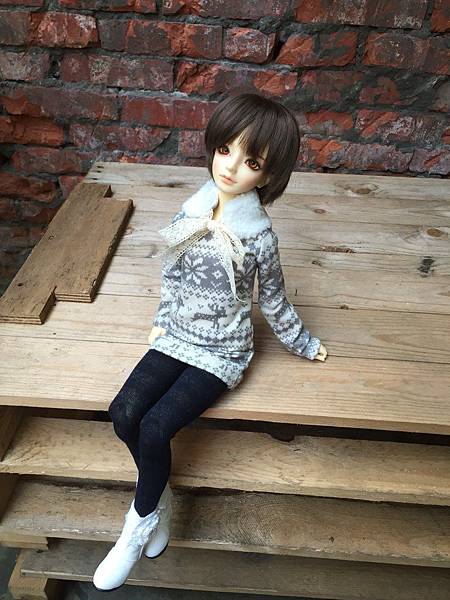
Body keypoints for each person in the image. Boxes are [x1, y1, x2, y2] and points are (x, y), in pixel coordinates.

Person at [93, 92, 328, 591]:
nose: (231, 167)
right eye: (225, 150)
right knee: (123, 412)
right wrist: (162, 321)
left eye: (252, 162)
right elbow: (172, 277)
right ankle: (158, 500)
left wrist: (304, 343)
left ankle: (134, 531)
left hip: (223, 349)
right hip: (177, 333)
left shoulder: (259, 237)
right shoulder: (192, 212)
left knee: (156, 426)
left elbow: (274, 301)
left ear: (268, 175)